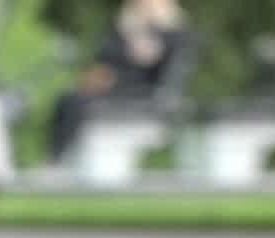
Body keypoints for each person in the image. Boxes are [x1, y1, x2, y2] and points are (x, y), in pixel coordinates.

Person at [47, 0, 190, 158]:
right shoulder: (125, 27)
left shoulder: (173, 33)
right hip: (108, 83)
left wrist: (146, 51)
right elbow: (104, 56)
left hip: (137, 92)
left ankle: (58, 157)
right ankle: (59, 156)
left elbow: (164, 74)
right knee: (68, 99)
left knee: (76, 103)